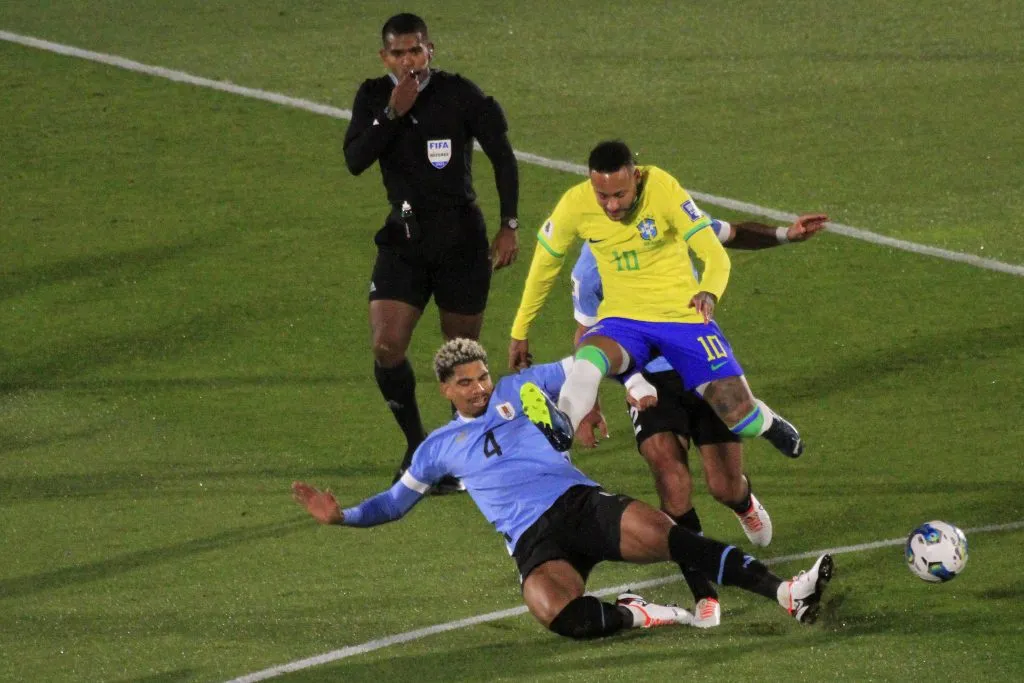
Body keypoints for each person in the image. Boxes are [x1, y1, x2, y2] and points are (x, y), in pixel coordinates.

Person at [293, 338, 834, 639]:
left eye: (482, 376)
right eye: (466, 382)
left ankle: (785, 593)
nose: (479, 387)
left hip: (576, 504)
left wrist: (622, 387)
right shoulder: (434, 449)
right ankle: (639, 613)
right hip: (533, 542)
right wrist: (344, 517)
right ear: (444, 390)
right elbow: (393, 504)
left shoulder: (520, 386)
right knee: (561, 616)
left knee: (671, 537)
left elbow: (592, 361)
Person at [569, 214, 827, 627]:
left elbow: (728, 235)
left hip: (699, 359)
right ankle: (703, 591)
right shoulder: (589, 265)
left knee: (723, 486)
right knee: (671, 480)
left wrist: (784, 235)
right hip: (648, 377)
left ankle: (741, 500)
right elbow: (585, 335)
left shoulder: (667, 212)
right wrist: (592, 400)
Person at [508, 140, 805, 462]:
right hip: (624, 321)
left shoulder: (662, 188)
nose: (610, 206)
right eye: (602, 195)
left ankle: (768, 423)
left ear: (635, 177)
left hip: (683, 317)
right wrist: (520, 329)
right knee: (588, 356)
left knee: (742, 418)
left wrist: (708, 291)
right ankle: (562, 423)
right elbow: (543, 268)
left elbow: (714, 252)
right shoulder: (575, 204)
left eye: (619, 195)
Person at [343, 13, 521, 489]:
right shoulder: (372, 97)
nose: (407, 61)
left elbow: (502, 155)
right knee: (385, 346)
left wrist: (508, 225)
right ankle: (417, 444)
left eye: (415, 51)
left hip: (461, 241)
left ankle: (462, 450)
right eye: (398, 53)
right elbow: (355, 160)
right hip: (404, 240)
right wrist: (392, 112)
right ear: (384, 57)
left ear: (430, 50)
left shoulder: (460, 93)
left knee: (461, 356)